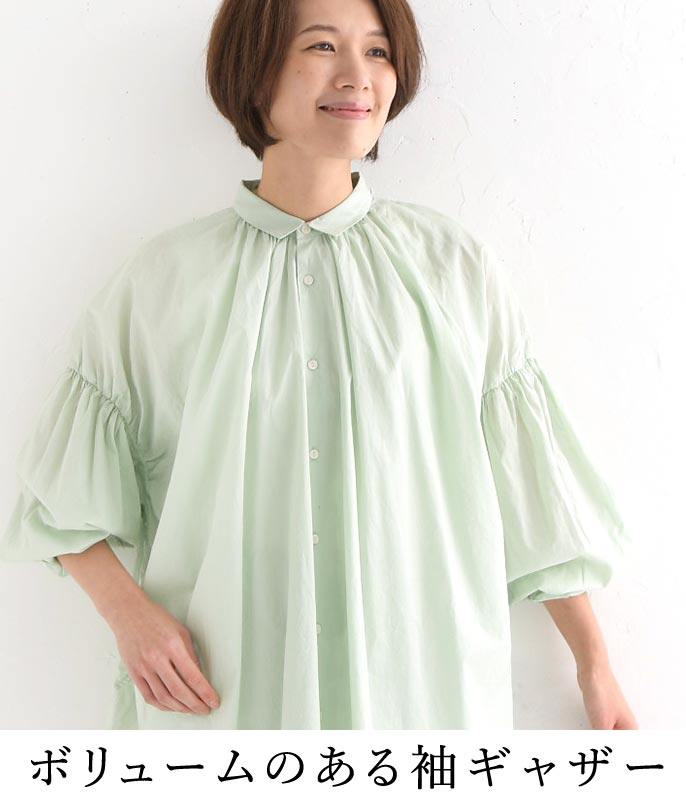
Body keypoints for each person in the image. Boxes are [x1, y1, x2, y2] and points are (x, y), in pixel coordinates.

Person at [0, 0, 638, 730]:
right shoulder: (161, 282)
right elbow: (62, 501)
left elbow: (531, 488)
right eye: (323, 46)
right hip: (227, 690)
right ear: (255, 68)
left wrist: (594, 664)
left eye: (378, 51)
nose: (357, 75)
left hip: (417, 695)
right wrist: (130, 619)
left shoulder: (453, 270)